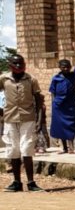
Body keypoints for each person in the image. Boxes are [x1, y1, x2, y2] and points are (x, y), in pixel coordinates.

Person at [1, 53, 46, 192]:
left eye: (22, 64)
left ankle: (31, 182)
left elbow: (39, 100)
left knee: (27, 149)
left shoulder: (31, 80)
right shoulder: (4, 79)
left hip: (28, 118)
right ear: (11, 66)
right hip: (10, 118)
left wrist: (40, 120)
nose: (19, 67)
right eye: (16, 64)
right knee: (13, 150)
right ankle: (16, 182)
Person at [49, 43, 75, 153]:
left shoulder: (73, 76)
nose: (66, 68)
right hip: (59, 106)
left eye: (68, 66)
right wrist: (54, 105)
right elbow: (52, 93)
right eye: (63, 67)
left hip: (70, 106)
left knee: (71, 125)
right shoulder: (56, 78)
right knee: (60, 126)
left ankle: (71, 147)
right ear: (60, 67)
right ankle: (64, 148)